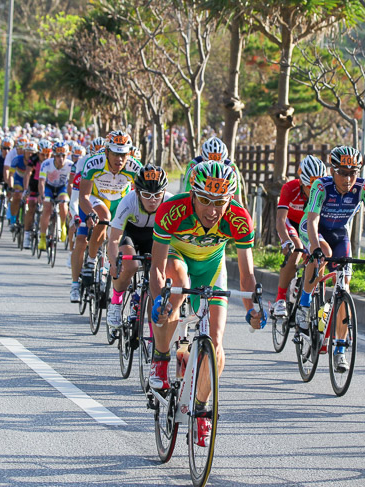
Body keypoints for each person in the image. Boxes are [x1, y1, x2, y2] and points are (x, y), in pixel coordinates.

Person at [148, 160, 264, 447]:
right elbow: (157, 268)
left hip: (213, 268)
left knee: (216, 343)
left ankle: (200, 409)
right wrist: (157, 302)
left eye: (220, 202)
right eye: (205, 201)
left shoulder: (238, 217)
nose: (213, 211)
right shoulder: (172, 210)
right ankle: (161, 358)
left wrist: (252, 308)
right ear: (192, 195)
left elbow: (248, 274)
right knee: (176, 287)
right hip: (178, 258)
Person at [302, 146, 365, 371]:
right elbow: (311, 221)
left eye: (353, 172)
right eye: (342, 172)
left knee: (345, 288)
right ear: (332, 170)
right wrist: (314, 247)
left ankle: (340, 348)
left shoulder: (364, 187)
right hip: (316, 229)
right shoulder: (321, 186)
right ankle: (304, 301)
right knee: (323, 253)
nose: (348, 178)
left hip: (341, 234)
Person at [70, 130, 141, 302]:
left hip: (120, 201)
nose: (119, 159)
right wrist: (89, 215)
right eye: (115, 153)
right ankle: (91, 262)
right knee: (104, 217)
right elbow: (83, 196)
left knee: (123, 236)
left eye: (123, 154)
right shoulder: (94, 163)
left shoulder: (135, 167)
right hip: (96, 199)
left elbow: (140, 197)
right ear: (107, 152)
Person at [106, 165, 172, 329]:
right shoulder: (128, 201)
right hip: (131, 234)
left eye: (157, 195)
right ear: (137, 192)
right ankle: (116, 301)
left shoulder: (170, 202)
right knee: (130, 266)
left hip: (155, 237)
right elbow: (114, 239)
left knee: (155, 281)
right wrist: (114, 263)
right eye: (147, 195)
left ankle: (152, 335)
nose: (153, 200)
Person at [273, 155, 332, 317]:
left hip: (310, 225)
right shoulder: (289, 188)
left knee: (325, 252)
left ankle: (313, 294)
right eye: (309, 187)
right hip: (291, 223)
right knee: (295, 251)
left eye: (316, 187)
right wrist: (285, 241)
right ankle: (280, 299)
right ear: (301, 181)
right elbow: (280, 219)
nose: (313, 192)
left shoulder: (324, 189)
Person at [183, 136, 244, 205]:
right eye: (209, 162)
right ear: (203, 159)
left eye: (218, 163)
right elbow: (186, 194)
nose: (213, 167)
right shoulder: (193, 165)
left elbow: (237, 200)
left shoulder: (232, 168)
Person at [37, 142, 74, 250]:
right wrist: (42, 195)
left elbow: (72, 184)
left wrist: (72, 198)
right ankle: (43, 238)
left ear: (67, 155)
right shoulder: (46, 164)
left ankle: (63, 224)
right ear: (53, 155)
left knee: (63, 203)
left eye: (63, 155)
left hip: (62, 187)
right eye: (58, 156)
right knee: (47, 208)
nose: (61, 158)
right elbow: (42, 181)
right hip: (48, 187)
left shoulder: (70, 165)